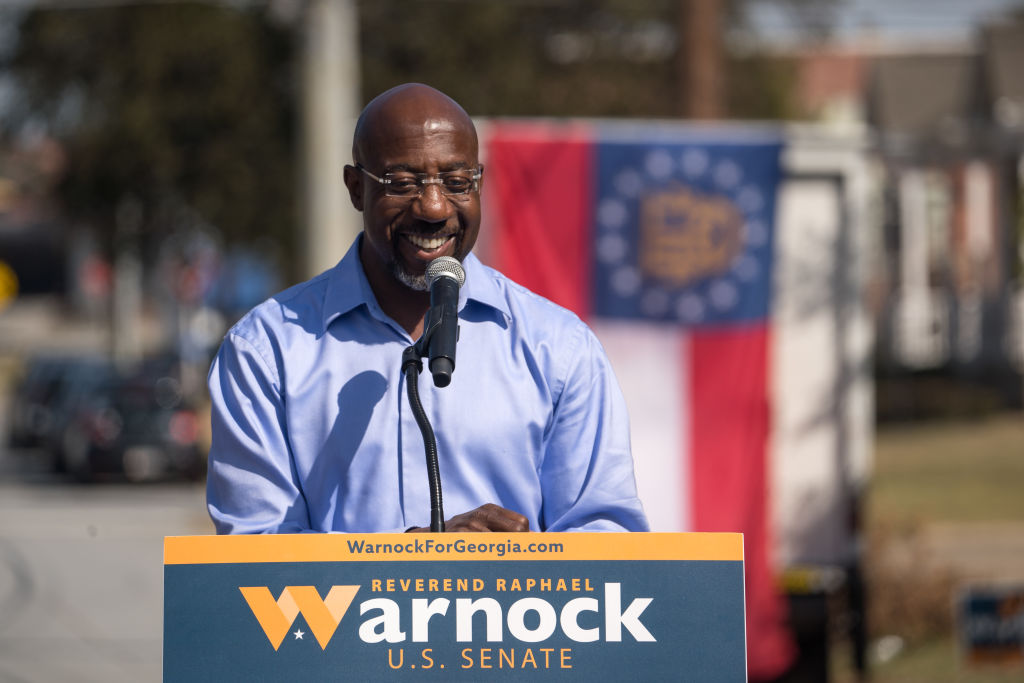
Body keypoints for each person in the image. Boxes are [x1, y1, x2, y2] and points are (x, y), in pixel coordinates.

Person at [206, 83, 648, 534]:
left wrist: (518, 567)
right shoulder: (266, 352)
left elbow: (605, 541)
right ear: (356, 189)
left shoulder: (558, 348)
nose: (434, 208)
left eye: (457, 183)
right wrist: (411, 571)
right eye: (401, 183)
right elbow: (255, 558)